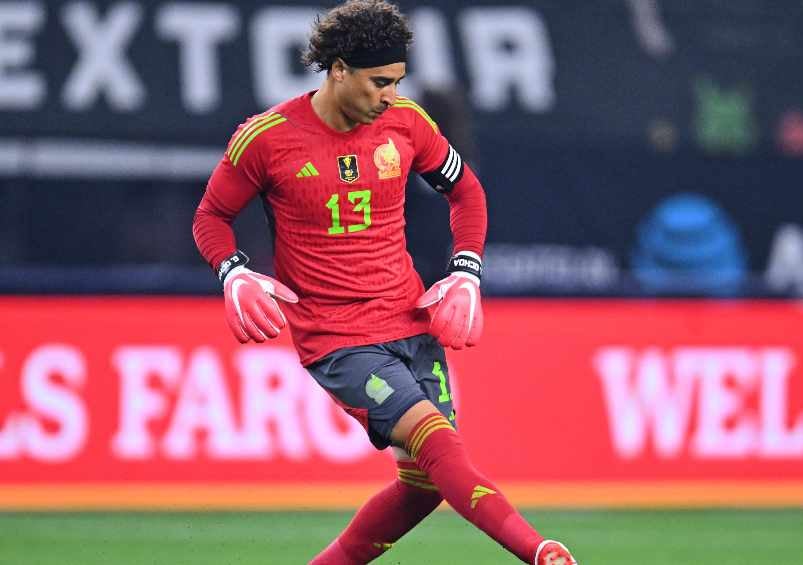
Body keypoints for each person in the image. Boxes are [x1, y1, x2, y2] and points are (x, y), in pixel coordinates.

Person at [191, 2, 577, 564]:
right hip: (338, 339)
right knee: (440, 445)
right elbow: (210, 216)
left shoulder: (408, 124)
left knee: (423, 487)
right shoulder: (266, 138)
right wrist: (233, 272)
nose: (391, 96)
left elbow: (467, 192)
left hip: (411, 321)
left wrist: (466, 271)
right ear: (338, 70)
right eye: (379, 82)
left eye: (397, 81)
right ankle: (540, 552)